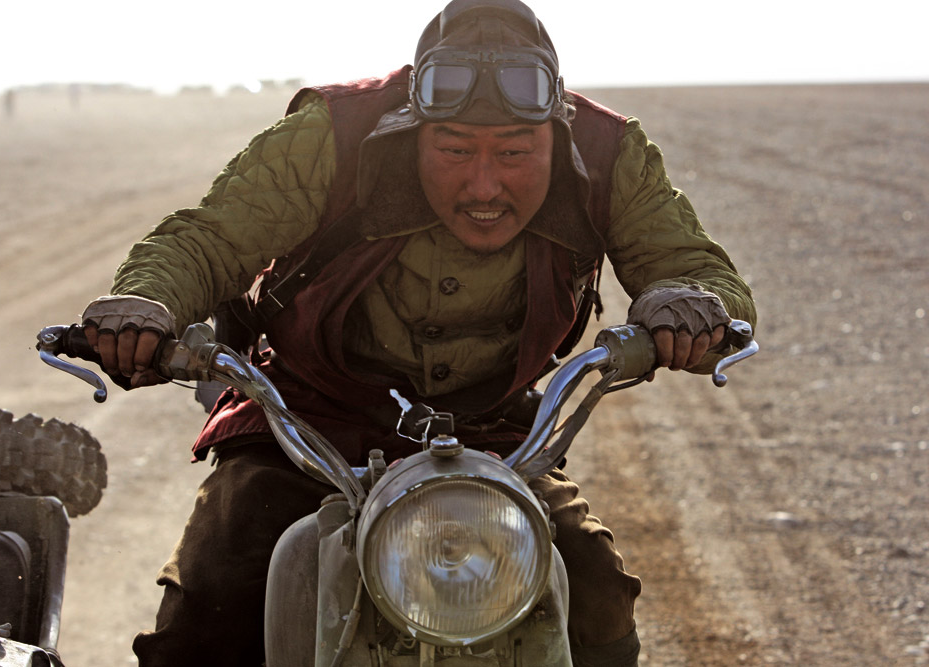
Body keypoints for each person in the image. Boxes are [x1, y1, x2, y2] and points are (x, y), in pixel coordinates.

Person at [80, 1, 756, 664]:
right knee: (216, 599)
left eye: (516, 151)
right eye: (455, 149)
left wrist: (684, 303)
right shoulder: (334, 135)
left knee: (593, 589)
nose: (484, 185)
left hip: (486, 441)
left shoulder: (609, 154)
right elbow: (207, 239)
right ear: (413, 125)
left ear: (557, 132)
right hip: (309, 425)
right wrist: (144, 303)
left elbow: (693, 266)